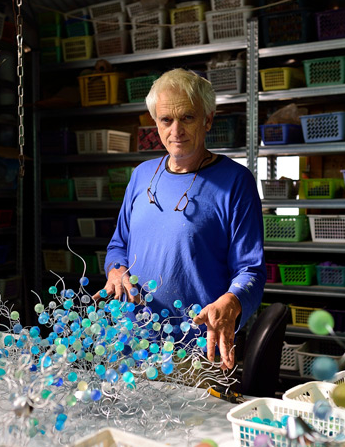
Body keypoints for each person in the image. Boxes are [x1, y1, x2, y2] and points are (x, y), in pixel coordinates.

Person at [99, 68, 265, 370]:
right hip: (130, 344)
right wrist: (116, 270)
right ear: (156, 123)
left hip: (199, 350)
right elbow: (118, 245)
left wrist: (232, 301)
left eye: (187, 117)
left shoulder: (236, 181)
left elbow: (250, 269)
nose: (176, 130)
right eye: (166, 120)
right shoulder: (141, 176)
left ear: (208, 120)